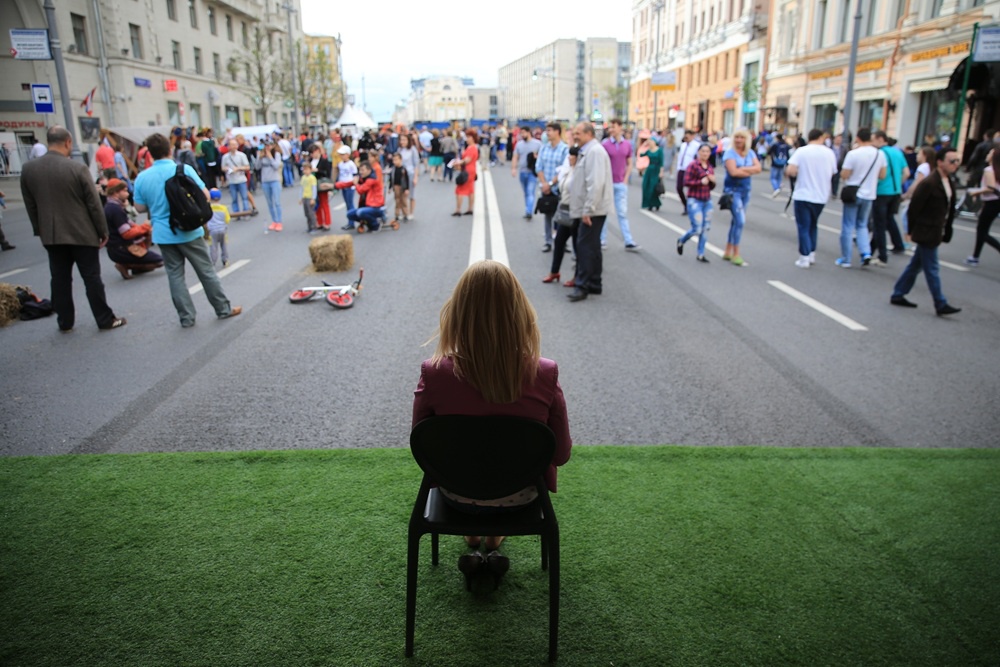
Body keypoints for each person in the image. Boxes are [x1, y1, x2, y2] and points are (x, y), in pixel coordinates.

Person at [412, 259, 572, 574]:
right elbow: (562, 454)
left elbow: (422, 445)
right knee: (503, 476)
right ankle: (494, 533)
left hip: (454, 492)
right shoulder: (544, 373)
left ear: (457, 314)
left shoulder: (434, 373)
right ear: (520, 315)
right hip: (522, 495)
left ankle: (472, 532)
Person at [20, 126, 125, 332]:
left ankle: (65, 321)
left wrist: (39, 229)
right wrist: (103, 231)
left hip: (51, 234)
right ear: (68, 142)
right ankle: (104, 319)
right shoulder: (77, 169)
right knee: (91, 278)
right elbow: (93, 203)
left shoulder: (29, 169)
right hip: (82, 232)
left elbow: (30, 204)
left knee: (59, 278)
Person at [133, 132, 241, 328]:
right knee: (206, 271)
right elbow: (205, 195)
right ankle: (222, 308)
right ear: (169, 150)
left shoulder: (142, 177)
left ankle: (186, 317)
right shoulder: (183, 170)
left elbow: (139, 208)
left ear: (150, 154)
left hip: (163, 233)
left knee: (175, 276)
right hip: (188, 230)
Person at [890, 148, 961, 316]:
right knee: (932, 268)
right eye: (952, 161)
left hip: (936, 230)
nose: (955, 164)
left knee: (916, 265)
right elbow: (914, 208)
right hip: (926, 232)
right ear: (939, 162)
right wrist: (912, 230)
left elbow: (948, 209)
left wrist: (947, 229)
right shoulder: (930, 182)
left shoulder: (948, 181)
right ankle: (940, 302)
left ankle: (898, 293)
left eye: (957, 161)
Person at [567, 122, 614, 302]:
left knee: (585, 247)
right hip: (590, 208)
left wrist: (588, 209)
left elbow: (595, 183)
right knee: (593, 246)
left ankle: (582, 285)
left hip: (592, 209)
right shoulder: (587, 151)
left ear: (588, 134)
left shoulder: (594, 152)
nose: (575, 136)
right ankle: (595, 282)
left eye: (578, 133)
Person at [786, 129, 838, 267]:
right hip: (821, 194)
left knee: (803, 225)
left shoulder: (802, 151)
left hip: (803, 193)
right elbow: (833, 172)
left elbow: (790, 170)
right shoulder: (829, 153)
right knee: (813, 224)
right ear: (821, 137)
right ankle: (812, 253)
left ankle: (804, 256)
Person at [836, 127, 886, 268]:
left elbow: (844, 174)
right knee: (862, 224)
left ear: (857, 138)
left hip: (853, 192)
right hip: (870, 193)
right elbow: (882, 175)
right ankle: (866, 253)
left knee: (848, 225)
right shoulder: (879, 154)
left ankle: (846, 258)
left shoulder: (853, 154)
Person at [103, 178, 162, 279]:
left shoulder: (112, 206)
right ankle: (127, 264)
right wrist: (145, 227)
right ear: (116, 193)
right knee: (160, 261)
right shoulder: (115, 209)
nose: (127, 193)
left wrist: (143, 229)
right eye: (124, 191)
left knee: (146, 233)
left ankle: (134, 264)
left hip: (116, 248)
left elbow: (130, 224)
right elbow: (126, 233)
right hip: (121, 248)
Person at [721, 128, 761, 266]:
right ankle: (736, 253)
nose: (739, 140)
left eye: (742, 137)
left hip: (746, 191)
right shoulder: (729, 153)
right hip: (733, 191)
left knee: (736, 222)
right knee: (740, 221)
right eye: (737, 137)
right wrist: (750, 170)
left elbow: (759, 168)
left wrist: (742, 170)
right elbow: (733, 172)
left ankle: (727, 250)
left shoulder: (750, 153)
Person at [871, 131, 910, 264]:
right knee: (889, 219)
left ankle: (882, 256)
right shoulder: (897, 152)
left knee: (879, 224)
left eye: (873, 140)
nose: (872, 143)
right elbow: (907, 173)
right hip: (895, 192)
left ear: (880, 139)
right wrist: (898, 184)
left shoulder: (880, 153)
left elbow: (878, 174)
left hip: (881, 191)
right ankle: (898, 245)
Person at [601, 118, 640, 252]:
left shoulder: (627, 144)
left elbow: (629, 163)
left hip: (620, 183)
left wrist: (626, 179)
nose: (611, 130)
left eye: (613, 127)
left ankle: (628, 240)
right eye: (610, 127)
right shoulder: (605, 144)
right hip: (608, 184)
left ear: (620, 128)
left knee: (622, 213)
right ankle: (602, 239)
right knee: (604, 212)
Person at [543, 146, 580, 284]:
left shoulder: (580, 172)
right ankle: (554, 272)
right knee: (559, 241)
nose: (570, 158)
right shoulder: (568, 170)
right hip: (564, 210)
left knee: (577, 246)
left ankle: (578, 276)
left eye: (572, 156)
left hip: (575, 211)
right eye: (569, 155)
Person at [677, 143, 715, 262]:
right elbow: (686, 182)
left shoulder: (709, 167)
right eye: (703, 151)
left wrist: (712, 181)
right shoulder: (693, 165)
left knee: (705, 228)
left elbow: (711, 186)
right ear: (699, 152)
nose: (705, 154)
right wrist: (700, 182)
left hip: (707, 199)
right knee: (697, 228)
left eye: (707, 151)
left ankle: (701, 253)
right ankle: (682, 240)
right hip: (694, 199)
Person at [536, 122, 569, 253]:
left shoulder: (564, 149)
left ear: (557, 132)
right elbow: (539, 167)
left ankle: (562, 242)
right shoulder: (544, 148)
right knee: (547, 215)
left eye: (549, 130)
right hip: (545, 188)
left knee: (562, 217)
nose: (547, 133)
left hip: (559, 188)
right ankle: (548, 242)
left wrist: (550, 184)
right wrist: (544, 184)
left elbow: (564, 170)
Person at [965, 148, 1000, 266]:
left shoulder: (989, 170)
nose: (988, 154)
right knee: (982, 230)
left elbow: (990, 188)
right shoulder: (996, 170)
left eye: (990, 153)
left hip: (992, 202)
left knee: (982, 231)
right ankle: (975, 256)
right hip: (994, 202)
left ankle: (976, 256)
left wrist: (975, 192)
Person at [347, 160, 390, 232]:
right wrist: (334, 185)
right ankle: (367, 222)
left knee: (360, 212)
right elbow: (349, 183)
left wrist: (356, 184)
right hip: (366, 206)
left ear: (369, 170)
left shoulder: (372, 179)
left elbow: (361, 190)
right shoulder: (363, 179)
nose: (360, 172)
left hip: (376, 206)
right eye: (360, 170)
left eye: (363, 170)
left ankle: (375, 225)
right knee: (349, 214)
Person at [512, 127, 542, 220]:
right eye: (521, 133)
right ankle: (527, 209)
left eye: (524, 133)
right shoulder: (519, 144)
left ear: (529, 133)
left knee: (530, 191)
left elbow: (542, 157)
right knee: (526, 192)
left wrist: (536, 157)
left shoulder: (537, 144)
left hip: (532, 172)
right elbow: (515, 156)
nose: (522, 135)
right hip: (522, 171)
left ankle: (529, 211)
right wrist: (513, 168)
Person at [452, 129, 479, 216]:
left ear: (473, 138)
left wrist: (458, 162)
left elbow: (467, 160)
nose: (466, 139)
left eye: (468, 137)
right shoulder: (472, 147)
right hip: (472, 169)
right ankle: (470, 208)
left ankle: (458, 209)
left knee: (460, 189)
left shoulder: (471, 148)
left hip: (467, 170)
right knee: (470, 190)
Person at [258, 142, 283, 232]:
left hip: (275, 180)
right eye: (266, 145)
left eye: (269, 145)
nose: (267, 147)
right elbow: (257, 167)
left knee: (277, 202)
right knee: (270, 203)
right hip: (265, 181)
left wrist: (270, 157)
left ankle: (279, 221)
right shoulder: (262, 155)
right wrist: (259, 157)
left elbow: (277, 166)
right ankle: (274, 221)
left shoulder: (276, 154)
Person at [675, 129, 701, 213]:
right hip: (682, 169)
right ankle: (686, 204)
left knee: (691, 189)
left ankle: (691, 206)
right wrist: (678, 167)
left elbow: (699, 158)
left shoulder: (697, 146)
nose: (687, 137)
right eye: (686, 135)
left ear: (693, 136)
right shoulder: (683, 145)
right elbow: (680, 157)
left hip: (691, 170)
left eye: (689, 135)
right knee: (679, 188)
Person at [222, 139, 251, 213]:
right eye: (232, 145)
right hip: (231, 180)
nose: (234, 146)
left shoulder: (241, 155)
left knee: (244, 197)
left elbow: (247, 167)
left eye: (235, 144)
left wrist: (238, 168)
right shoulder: (225, 157)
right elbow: (223, 167)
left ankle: (246, 211)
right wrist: (228, 169)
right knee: (234, 198)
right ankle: (236, 212)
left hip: (241, 179)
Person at [309, 144, 333, 231]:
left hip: (321, 183)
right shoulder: (310, 161)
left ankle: (327, 222)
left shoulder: (324, 161)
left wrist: (318, 171)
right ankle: (319, 221)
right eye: (312, 153)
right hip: (313, 184)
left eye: (314, 152)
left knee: (324, 203)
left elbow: (327, 173)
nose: (313, 154)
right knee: (316, 204)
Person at [397, 133, 420, 219]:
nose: (402, 142)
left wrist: (415, 177)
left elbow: (416, 164)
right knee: (401, 194)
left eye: (404, 140)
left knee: (411, 194)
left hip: (410, 173)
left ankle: (411, 212)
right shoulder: (399, 150)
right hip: (401, 174)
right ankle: (403, 212)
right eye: (401, 140)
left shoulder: (412, 150)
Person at [206, 188, 231, 267]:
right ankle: (225, 260)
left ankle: (212, 262)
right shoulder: (223, 208)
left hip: (212, 231)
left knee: (213, 247)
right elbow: (227, 219)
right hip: (222, 230)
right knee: (224, 245)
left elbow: (206, 218)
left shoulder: (208, 208)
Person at [640, 137, 664, 212]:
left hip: (656, 170)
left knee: (653, 187)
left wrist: (661, 172)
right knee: (645, 186)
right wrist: (643, 145)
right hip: (649, 169)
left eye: (651, 141)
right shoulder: (649, 150)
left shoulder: (659, 150)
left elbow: (661, 162)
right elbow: (641, 155)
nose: (650, 143)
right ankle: (648, 203)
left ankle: (656, 203)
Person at [390, 152, 411, 224]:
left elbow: (407, 179)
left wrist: (407, 188)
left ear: (400, 160)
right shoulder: (393, 169)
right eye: (394, 160)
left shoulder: (403, 169)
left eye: (396, 160)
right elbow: (391, 179)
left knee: (404, 201)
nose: (395, 162)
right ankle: (397, 214)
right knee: (397, 200)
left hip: (403, 187)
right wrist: (390, 187)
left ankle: (405, 214)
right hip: (396, 186)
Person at [299, 161, 317, 233]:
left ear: (310, 169)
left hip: (310, 197)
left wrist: (313, 198)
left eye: (307, 169)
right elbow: (301, 188)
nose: (305, 171)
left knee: (311, 213)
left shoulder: (312, 178)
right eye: (304, 169)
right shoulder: (303, 178)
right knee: (306, 213)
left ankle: (314, 227)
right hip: (305, 197)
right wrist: (300, 198)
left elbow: (314, 188)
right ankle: (309, 227)